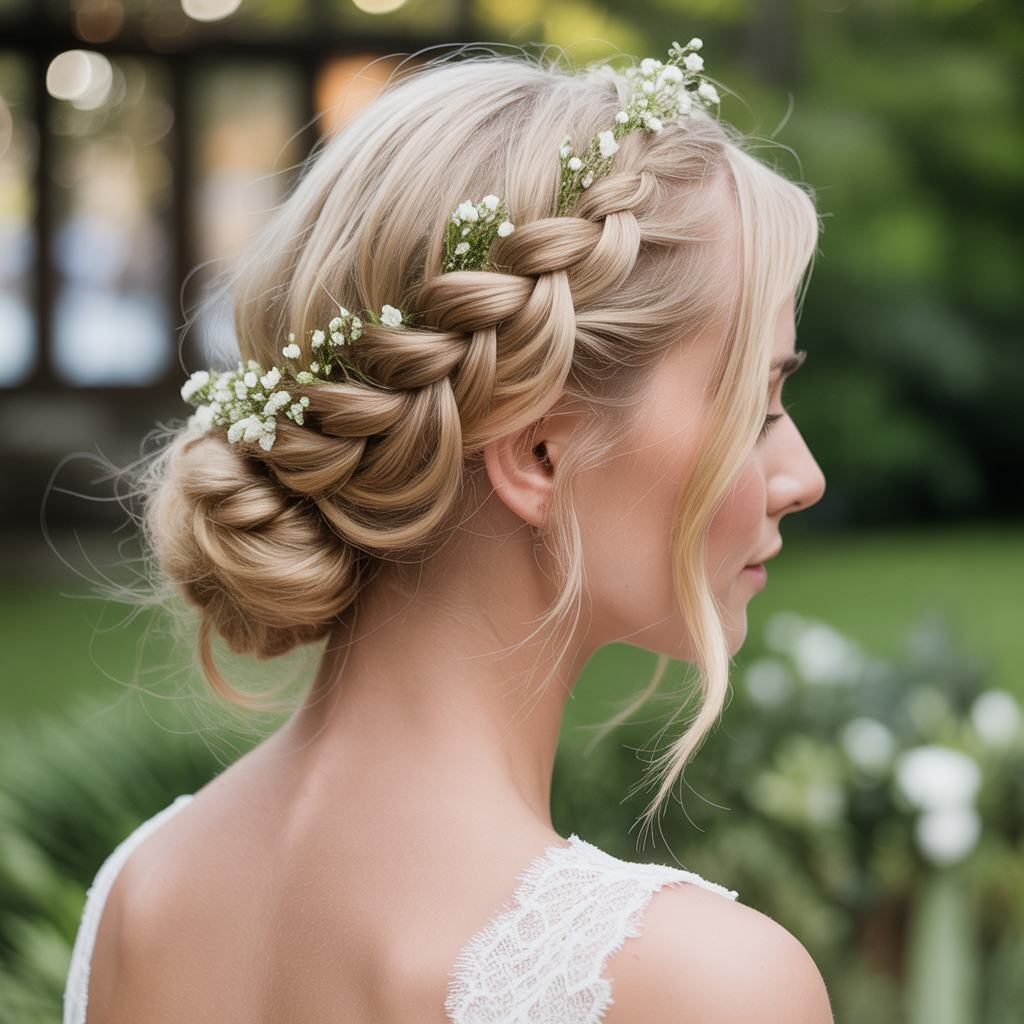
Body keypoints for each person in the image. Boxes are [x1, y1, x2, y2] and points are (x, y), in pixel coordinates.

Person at [64, 44, 832, 1024]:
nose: (801, 477)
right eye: (757, 405)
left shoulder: (139, 897)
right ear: (540, 454)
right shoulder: (694, 987)